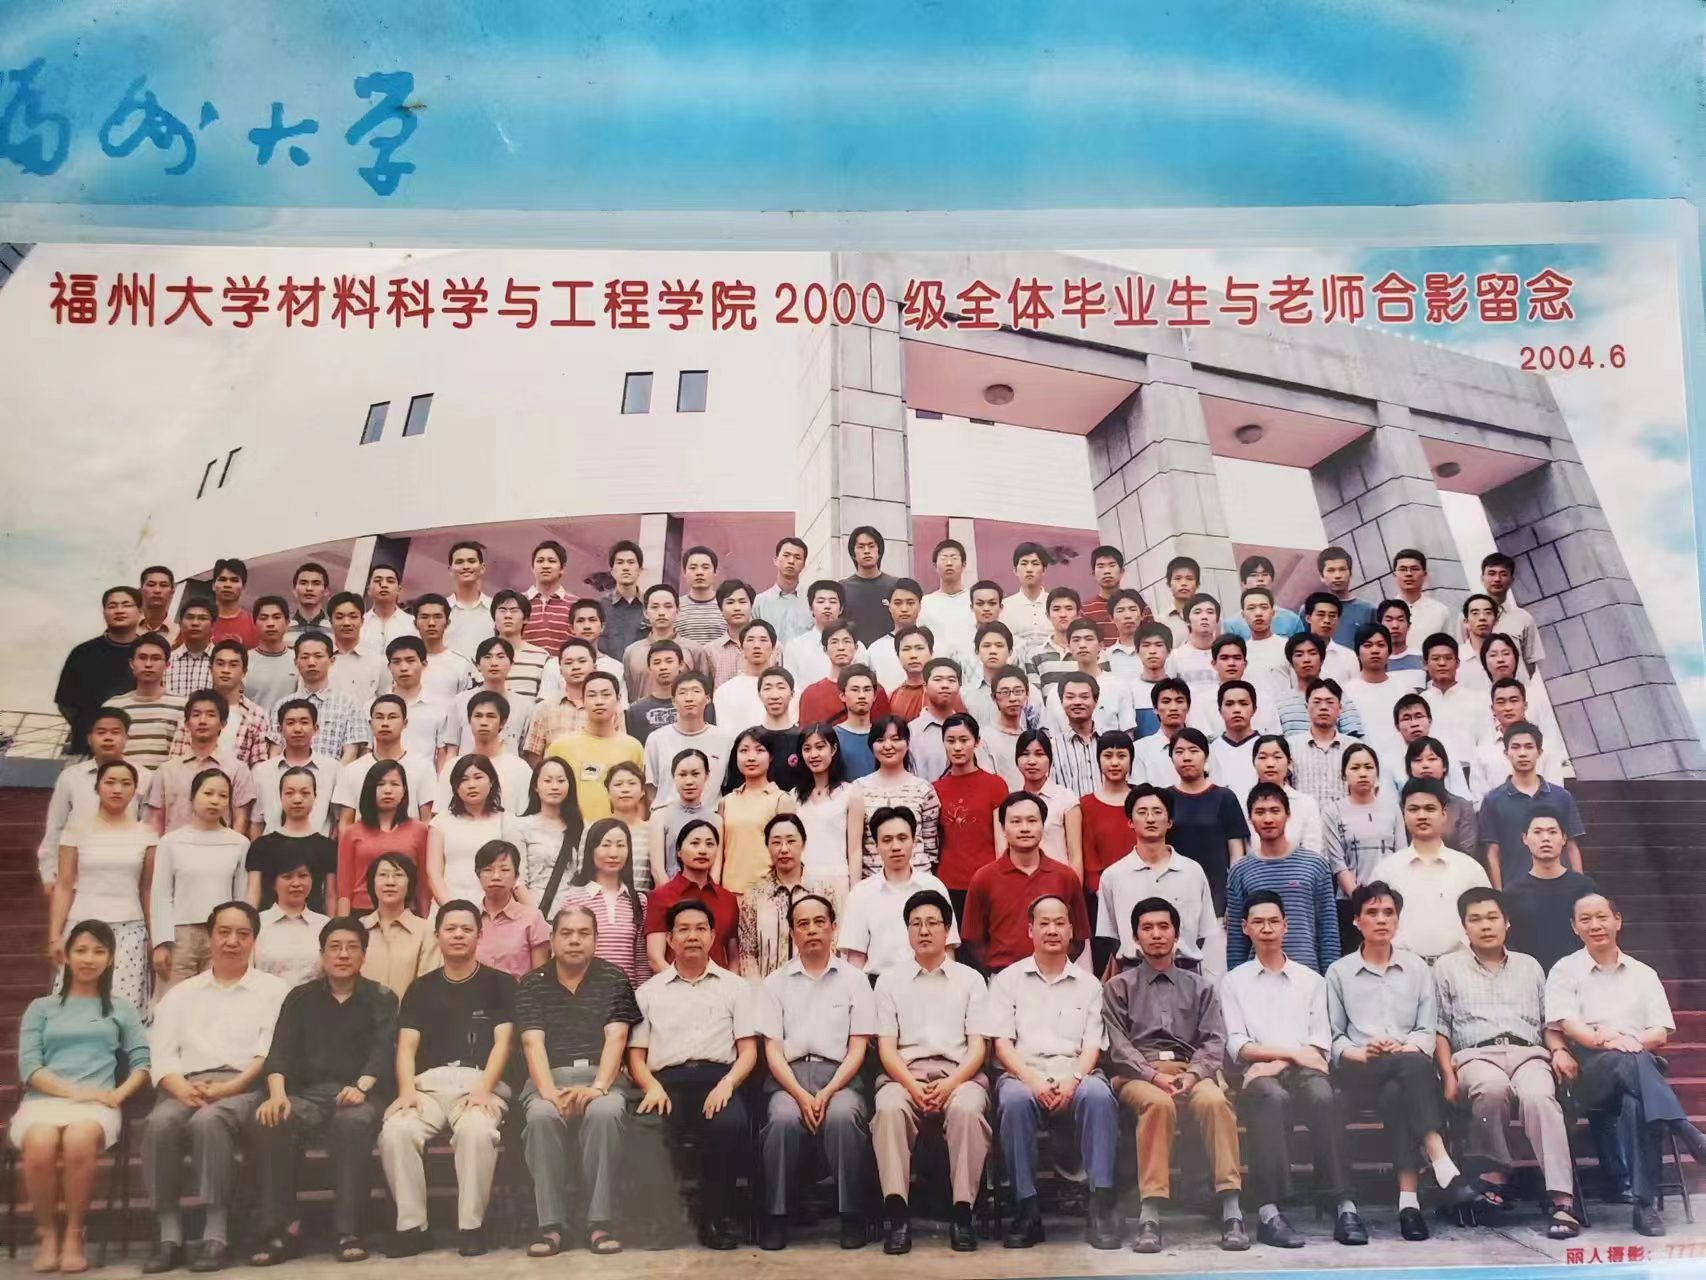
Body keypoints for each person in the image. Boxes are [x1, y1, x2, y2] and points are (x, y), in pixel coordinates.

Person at [1325, 882, 1479, 1240]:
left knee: (1399, 1090)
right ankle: (1440, 1160)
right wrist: (1363, 1051)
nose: (1381, 919)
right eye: (1372, 913)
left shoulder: (1417, 969)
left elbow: (1427, 1029)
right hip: (1360, 1071)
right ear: (1357, 921)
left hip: (1407, 1070)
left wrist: (1405, 1045)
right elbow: (1334, 1037)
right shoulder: (1339, 972)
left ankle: (1409, 1206)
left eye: (1389, 913)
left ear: (1397, 920)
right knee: (1413, 1069)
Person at [141, 902, 289, 1276]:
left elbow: (268, 1053)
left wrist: (228, 1089)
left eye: (242, 934)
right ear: (210, 937)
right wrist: (179, 1087)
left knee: (209, 1121)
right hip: (185, 1085)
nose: (232, 941)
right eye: (224, 932)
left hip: (245, 1086)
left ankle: (215, 1234)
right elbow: (162, 1052)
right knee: (159, 1124)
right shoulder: (181, 994)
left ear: (254, 940)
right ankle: (170, 1236)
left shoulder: (273, 990)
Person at [1547, 893, 1706, 1237]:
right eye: (1585, 919)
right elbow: (1568, 1025)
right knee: (1630, 1062)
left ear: (1617, 920)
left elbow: (1660, 1031)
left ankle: (1643, 1207)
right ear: (1574, 927)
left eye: (1602, 917)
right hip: (1590, 1070)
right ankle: (1686, 1131)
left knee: (1638, 1102)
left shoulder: (1643, 973)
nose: (1595, 925)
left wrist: (1628, 1041)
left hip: (1638, 1064)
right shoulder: (1565, 970)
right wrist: (1605, 1040)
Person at [1433, 887, 1580, 1236]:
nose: (1485, 926)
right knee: (1492, 1088)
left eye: (1492, 918)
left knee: (1540, 1097)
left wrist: (1560, 1050)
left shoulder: (1530, 967)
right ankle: (1497, 1172)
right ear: (1464, 927)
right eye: (1475, 919)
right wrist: (1447, 1075)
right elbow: (1439, 1029)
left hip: (1529, 1053)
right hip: (1475, 1055)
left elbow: (1548, 1024)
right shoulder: (1446, 967)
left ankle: (1562, 1198)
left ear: (1507, 922)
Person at [250, 916, 397, 1266]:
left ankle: (348, 1230)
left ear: (363, 955)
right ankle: (283, 1229)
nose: (343, 954)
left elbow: (383, 1052)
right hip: (308, 1096)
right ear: (322, 954)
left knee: (351, 1123)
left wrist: (361, 1086)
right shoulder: (300, 998)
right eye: (335, 947)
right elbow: (280, 1051)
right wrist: (277, 1095)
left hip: (361, 1095)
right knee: (273, 1119)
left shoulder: (382, 998)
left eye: (352, 948)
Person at [1223, 892, 1365, 1248]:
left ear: (1286, 926)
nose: (1267, 928)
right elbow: (1239, 1045)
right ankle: (1270, 1212)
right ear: (1245, 927)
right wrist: (1289, 1054)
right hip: (1258, 1075)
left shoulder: (1311, 980)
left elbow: (1319, 1045)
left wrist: (1276, 1061)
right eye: (1258, 922)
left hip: (1299, 1069)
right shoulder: (1233, 982)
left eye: (1274, 921)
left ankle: (1343, 1205)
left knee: (1323, 1096)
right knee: (1271, 1098)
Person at [1105, 896, 1247, 1253]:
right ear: (1135, 938)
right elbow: (1119, 1047)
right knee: (1158, 1104)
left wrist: (1194, 1075)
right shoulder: (1118, 987)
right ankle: (1150, 1214)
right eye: (1147, 928)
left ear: (1176, 934)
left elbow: (1214, 1040)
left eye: (1163, 927)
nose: (1156, 934)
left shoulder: (1201, 987)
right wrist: (1153, 1077)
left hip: (1191, 1072)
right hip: (1139, 1075)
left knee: (1216, 1102)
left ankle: (1232, 1210)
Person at [979, 894, 1121, 1250]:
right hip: (1024, 1072)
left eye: (1060, 923)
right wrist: (1034, 1081)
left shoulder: (1090, 984)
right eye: (1044, 923)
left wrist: (1073, 1081)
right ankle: (1026, 1209)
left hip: (1077, 1072)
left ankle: (1101, 1205)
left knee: (1099, 1096)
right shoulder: (1008, 980)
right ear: (1030, 930)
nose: (1052, 930)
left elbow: (1092, 1046)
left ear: (1072, 930)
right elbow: (1002, 1046)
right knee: (1013, 1101)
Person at [13, 920, 152, 1275]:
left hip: (98, 1105)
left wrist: (117, 1094)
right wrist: (77, 1093)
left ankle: (75, 1234)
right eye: (81, 950)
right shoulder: (41, 1008)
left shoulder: (121, 1008)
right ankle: (47, 1233)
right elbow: (30, 1068)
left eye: (98, 951)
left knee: (78, 1139)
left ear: (110, 959)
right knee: (40, 1141)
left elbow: (142, 1063)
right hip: (43, 1101)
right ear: (67, 956)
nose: (89, 959)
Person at [378, 901, 515, 1258]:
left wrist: (485, 1089)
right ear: (437, 935)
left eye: (466, 929)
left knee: (476, 1131)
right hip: (427, 1085)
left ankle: (471, 1227)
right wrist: (406, 1090)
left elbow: (503, 1042)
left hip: (478, 1083)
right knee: (396, 1131)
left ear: (479, 935)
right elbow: (406, 1047)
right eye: (450, 929)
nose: (458, 935)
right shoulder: (420, 988)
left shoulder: (499, 984)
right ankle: (412, 1228)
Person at [627, 899, 759, 1250]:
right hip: (666, 1084)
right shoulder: (649, 992)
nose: (692, 936)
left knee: (730, 1123)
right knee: (645, 1129)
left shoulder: (735, 987)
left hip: (718, 1080)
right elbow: (636, 1056)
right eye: (683, 930)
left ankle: (714, 1219)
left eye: (701, 929)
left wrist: (728, 1083)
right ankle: (664, 1221)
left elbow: (748, 1051)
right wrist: (651, 1087)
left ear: (713, 936)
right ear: (669, 939)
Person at [516, 904, 642, 1258]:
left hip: (602, 1078)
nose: (575, 940)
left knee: (605, 1113)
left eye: (584, 933)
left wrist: (598, 1087)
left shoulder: (614, 978)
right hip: (549, 1079)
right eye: (566, 933)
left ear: (596, 939)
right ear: (552, 939)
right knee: (541, 1117)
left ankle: (599, 1223)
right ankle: (551, 1226)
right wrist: (549, 1093)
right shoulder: (532, 983)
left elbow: (617, 1037)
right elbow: (532, 1043)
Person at [871, 888, 989, 1255]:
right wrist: (912, 1085)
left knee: (967, 1109)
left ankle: (962, 1214)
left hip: (960, 1073)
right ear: (907, 931)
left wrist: (950, 1084)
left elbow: (978, 1048)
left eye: (933, 923)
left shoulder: (971, 980)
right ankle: (898, 1215)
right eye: (916, 924)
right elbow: (887, 1049)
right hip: (904, 1074)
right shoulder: (888, 981)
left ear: (947, 930)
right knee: (889, 1109)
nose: (924, 931)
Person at [756, 893, 875, 1250]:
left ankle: (851, 1214)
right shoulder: (775, 983)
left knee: (842, 1116)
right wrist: (799, 1094)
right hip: (788, 1078)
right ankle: (776, 1215)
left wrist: (826, 1092)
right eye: (803, 924)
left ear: (833, 928)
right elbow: (772, 1050)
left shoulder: (855, 981)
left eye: (819, 922)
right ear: (793, 933)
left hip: (840, 1078)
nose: (812, 930)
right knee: (782, 1119)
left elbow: (858, 1048)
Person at [48, 761, 155, 1017]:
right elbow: (64, 885)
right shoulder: (75, 830)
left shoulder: (147, 834)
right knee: (77, 1008)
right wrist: (54, 936)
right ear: (97, 787)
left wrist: (155, 936)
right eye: (110, 782)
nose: (117, 789)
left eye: (126, 783)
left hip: (129, 930)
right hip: (82, 928)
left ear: (135, 790)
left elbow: (148, 889)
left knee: (122, 1009)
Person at [1094, 785, 1223, 980]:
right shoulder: (1113, 875)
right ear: (1130, 822)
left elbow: (1201, 933)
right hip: (1133, 975)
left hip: (1184, 974)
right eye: (1142, 812)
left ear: (1169, 821)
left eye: (1157, 812)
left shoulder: (1192, 871)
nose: (1150, 819)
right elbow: (1111, 936)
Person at [961, 792, 1090, 973]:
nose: (1025, 828)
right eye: (1016, 821)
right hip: (1003, 978)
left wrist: (1053, 966)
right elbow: (973, 940)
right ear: (1003, 828)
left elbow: (1078, 937)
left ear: (1043, 825)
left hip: (1055, 977)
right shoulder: (984, 878)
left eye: (1032, 821)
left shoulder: (1065, 876)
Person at [149, 769, 249, 990]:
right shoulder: (170, 842)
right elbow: (161, 895)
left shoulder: (239, 843)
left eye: (223, 796)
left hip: (222, 936)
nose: (215, 801)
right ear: (193, 797)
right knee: (174, 999)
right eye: (208, 793)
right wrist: (162, 943)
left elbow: (241, 898)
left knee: (218, 997)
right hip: (180, 937)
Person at [1371, 778, 1491, 962]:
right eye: (1414, 809)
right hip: (1403, 968)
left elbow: (1488, 921)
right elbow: (1373, 926)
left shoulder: (1469, 869)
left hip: (1459, 967)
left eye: (1430, 809)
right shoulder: (1386, 871)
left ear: (1444, 814)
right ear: (1403, 814)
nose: (1422, 816)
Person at [1225, 783, 1339, 973]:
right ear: (1250, 819)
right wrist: (1237, 979)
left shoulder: (1315, 865)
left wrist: (1328, 978)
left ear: (1288, 815)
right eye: (1260, 812)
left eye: (1275, 811)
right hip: (1258, 976)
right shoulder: (1240, 871)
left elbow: (1328, 931)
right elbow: (1237, 941)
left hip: (1307, 975)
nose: (1268, 819)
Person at [37, 709, 147, 894]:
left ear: (126, 738)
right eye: (101, 732)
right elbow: (55, 828)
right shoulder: (70, 777)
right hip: (76, 882)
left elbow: (149, 829)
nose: (108, 738)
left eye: (115, 732)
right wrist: (49, 875)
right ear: (89, 738)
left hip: (127, 881)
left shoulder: (145, 777)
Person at [840, 807, 958, 977]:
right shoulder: (860, 894)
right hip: (877, 984)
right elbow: (856, 959)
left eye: (902, 838)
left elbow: (947, 948)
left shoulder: (933, 887)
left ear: (914, 841)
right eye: (887, 840)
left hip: (928, 981)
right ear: (876, 845)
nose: (895, 847)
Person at [1479, 721, 1586, 887]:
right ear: (1506, 753)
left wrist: (1580, 888)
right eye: (1516, 747)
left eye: (1529, 747)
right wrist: (1499, 894)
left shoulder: (1561, 797)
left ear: (1539, 752)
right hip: (1515, 890)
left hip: (1560, 888)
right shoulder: (1493, 800)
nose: (1522, 753)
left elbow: (1571, 847)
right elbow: (1492, 853)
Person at [735, 813, 836, 980]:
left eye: (791, 841)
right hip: (767, 989)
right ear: (767, 846)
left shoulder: (822, 891)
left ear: (803, 844)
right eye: (776, 842)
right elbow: (747, 954)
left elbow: (833, 944)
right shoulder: (755, 895)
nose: (784, 849)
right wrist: (760, 991)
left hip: (815, 986)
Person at [1162, 726, 1248, 915]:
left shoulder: (1224, 797)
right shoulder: (1163, 799)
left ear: (1206, 756)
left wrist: (1233, 899)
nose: (1186, 757)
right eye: (1179, 752)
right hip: (1173, 896)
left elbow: (1236, 854)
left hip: (1216, 894)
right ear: (1171, 758)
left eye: (1194, 751)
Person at [1504, 807, 1601, 972]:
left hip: (1578, 975)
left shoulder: (1584, 887)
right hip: (1530, 976)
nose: (1545, 838)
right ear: (1525, 838)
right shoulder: (1512, 893)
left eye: (1552, 832)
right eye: (1537, 832)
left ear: (1564, 838)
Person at [932, 713, 1009, 916]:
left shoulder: (995, 785)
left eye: (964, 740)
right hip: (948, 883)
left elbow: (1002, 841)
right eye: (951, 741)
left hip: (986, 880)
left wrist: (1002, 879)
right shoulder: (935, 789)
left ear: (977, 742)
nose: (957, 747)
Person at [557, 816, 649, 986]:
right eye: (606, 845)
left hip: (625, 997)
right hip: (585, 995)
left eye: (620, 845)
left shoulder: (639, 901)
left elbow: (641, 962)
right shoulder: (573, 898)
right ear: (591, 850)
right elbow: (561, 956)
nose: (613, 853)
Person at [544, 672, 645, 822]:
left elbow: (640, 801)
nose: (599, 701)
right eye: (592, 695)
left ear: (618, 699)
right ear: (582, 700)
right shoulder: (561, 746)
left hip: (618, 833)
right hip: (572, 830)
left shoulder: (633, 747)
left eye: (606, 695)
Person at [848, 715, 941, 878]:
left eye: (896, 739)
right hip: (874, 882)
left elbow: (931, 848)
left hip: (917, 883)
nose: (888, 746)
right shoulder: (859, 788)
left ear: (908, 743)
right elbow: (855, 849)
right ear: (871, 746)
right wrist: (857, 888)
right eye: (880, 740)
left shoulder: (924, 789)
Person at [643, 820, 740, 971]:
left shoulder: (728, 899)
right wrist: (682, 983)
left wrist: (729, 982)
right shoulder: (660, 897)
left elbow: (734, 958)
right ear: (679, 852)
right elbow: (655, 958)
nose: (703, 850)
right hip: (674, 984)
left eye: (710, 844)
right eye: (695, 843)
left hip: (720, 984)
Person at [336, 761, 431, 916]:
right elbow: (344, 890)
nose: (387, 790)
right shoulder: (352, 833)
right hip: (362, 912)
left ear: (404, 790)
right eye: (380, 784)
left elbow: (423, 886)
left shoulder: (420, 831)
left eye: (394, 784)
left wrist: (425, 922)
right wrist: (344, 924)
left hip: (406, 912)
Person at [332, 693, 437, 832]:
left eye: (392, 717)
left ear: (405, 723)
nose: (385, 723)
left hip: (409, 843)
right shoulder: (351, 770)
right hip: (364, 843)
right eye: (379, 717)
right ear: (370, 723)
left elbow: (427, 820)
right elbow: (345, 823)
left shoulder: (423, 767)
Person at [55, 587, 141, 754]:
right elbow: (67, 705)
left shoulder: (149, 653)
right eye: (112, 606)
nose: (119, 610)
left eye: (126, 605)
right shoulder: (83, 653)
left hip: (138, 749)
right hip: (86, 748)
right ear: (104, 612)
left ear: (140, 612)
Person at [715, 727, 796, 893]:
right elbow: (719, 854)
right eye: (744, 751)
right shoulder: (726, 802)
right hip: (729, 892)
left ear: (770, 756)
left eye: (759, 750)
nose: (751, 757)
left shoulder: (781, 800)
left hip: (768, 893)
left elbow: (789, 852)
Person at [247, 771, 337, 917]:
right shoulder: (261, 845)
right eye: (289, 793)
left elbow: (330, 896)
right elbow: (253, 895)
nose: (297, 799)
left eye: (305, 793)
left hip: (314, 925)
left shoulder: (327, 847)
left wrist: (332, 927)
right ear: (280, 797)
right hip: (269, 924)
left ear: (315, 796)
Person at [265, 633, 367, 762]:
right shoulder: (282, 705)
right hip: (288, 773)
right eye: (305, 657)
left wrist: (334, 774)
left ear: (332, 660)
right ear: (296, 662)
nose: (311, 662)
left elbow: (351, 752)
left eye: (318, 656)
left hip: (334, 773)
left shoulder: (349, 704)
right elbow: (275, 750)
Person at [249, 700, 337, 837]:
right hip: (272, 847)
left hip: (317, 847)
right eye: (290, 723)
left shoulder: (332, 769)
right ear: (279, 729)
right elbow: (257, 822)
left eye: (304, 722)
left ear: (316, 728)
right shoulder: (262, 771)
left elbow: (339, 821)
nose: (297, 729)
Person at [358, 853, 440, 999]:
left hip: (409, 1012)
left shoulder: (426, 931)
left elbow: (428, 988)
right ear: (372, 883)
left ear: (410, 884)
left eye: (398, 875)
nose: (390, 882)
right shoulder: (357, 928)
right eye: (383, 875)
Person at [795, 724, 863, 893]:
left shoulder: (850, 793)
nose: (813, 755)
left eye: (820, 747)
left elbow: (855, 850)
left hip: (838, 881)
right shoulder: (793, 796)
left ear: (833, 749)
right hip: (803, 881)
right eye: (807, 749)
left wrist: (855, 891)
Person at [103, 634, 186, 772]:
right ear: (131, 663)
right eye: (142, 657)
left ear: (167, 665)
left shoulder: (183, 706)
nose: (148, 664)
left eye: (156, 658)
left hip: (164, 782)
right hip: (122, 781)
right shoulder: (113, 707)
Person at [252, 848, 330, 987]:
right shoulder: (257, 923)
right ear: (273, 883)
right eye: (287, 877)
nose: (296, 883)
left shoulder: (325, 925)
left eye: (303, 876)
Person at [472, 840, 550, 977]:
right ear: (478, 876)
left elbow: (540, 977)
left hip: (519, 990)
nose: (496, 876)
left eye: (505, 870)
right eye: (488, 870)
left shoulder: (532, 919)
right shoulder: (469, 919)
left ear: (516, 877)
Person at [622, 585, 711, 701]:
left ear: (677, 611)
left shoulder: (694, 650)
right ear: (645, 612)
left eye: (668, 606)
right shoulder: (632, 652)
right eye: (655, 607)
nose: (661, 613)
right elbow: (629, 693)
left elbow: (704, 690)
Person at [1252, 733, 1330, 864]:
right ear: (1253, 762)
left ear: (1289, 762)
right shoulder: (1244, 802)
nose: (1270, 764)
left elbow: (1313, 851)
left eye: (1277, 757)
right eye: (1263, 757)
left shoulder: (1306, 803)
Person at [1012, 728, 1080, 871]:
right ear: (1016, 760)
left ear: (1050, 759)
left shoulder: (1066, 798)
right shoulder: (1012, 802)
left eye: (1039, 754)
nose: (1032, 761)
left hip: (1058, 879)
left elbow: (1076, 857)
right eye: (1025, 754)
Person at [1420, 633, 1487, 773]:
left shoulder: (1477, 699)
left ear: (1458, 663)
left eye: (1448, 658)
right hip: (1431, 773)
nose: (1442, 663)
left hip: (1470, 772)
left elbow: (1486, 741)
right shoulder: (1420, 703)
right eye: (1436, 658)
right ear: (1425, 664)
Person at [799, 621, 891, 723]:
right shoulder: (811, 694)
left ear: (856, 647)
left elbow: (883, 730)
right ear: (825, 649)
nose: (841, 648)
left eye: (846, 641)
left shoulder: (874, 691)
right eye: (834, 642)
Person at [1405, 735, 1479, 853]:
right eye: (1418, 760)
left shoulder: (1461, 806)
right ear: (1409, 769)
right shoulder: (1401, 807)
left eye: (1432, 759)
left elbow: (1468, 852)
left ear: (1444, 766)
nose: (1425, 765)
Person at [1477, 553, 1544, 674]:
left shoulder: (1524, 618)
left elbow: (1530, 661)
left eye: (1503, 574)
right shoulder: (1467, 617)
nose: (1497, 579)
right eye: (1491, 573)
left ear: (1511, 580)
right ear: (1482, 578)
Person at [323, 591, 389, 710]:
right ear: (330, 622)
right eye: (339, 617)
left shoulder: (378, 661)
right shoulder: (319, 658)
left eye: (353, 617)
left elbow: (385, 701)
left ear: (362, 620)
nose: (346, 623)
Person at [711, 620, 778, 733]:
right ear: (741, 647)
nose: (756, 646)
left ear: (773, 648)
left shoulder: (786, 690)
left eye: (763, 640)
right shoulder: (724, 691)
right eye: (750, 640)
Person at [490, 591, 552, 712]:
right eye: (502, 610)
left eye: (514, 610)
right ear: (494, 618)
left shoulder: (541, 656)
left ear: (526, 619)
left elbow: (544, 700)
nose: (508, 615)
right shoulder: (482, 654)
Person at [918, 538, 977, 663]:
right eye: (943, 558)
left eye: (954, 558)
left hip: (973, 667)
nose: (949, 563)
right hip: (936, 667)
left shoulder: (976, 600)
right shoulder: (924, 603)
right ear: (935, 566)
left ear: (964, 564)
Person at [841, 525, 901, 644]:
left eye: (871, 546)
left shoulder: (896, 585)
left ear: (879, 551)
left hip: (890, 649)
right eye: (861, 547)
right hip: (855, 651)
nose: (867, 551)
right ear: (853, 553)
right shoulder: (842, 588)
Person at [1048, 671, 1104, 796]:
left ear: (1095, 701)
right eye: (1070, 697)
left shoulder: (1110, 743)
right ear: (1061, 702)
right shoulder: (1052, 747)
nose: (1077, 702)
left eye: (1084, 697)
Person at [412, 595, 477, 702]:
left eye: (437, 617)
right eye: (424, 617)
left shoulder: (460, 663)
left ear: (447, 623)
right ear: (415, 623)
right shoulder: (403, 663)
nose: (431, 623)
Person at [1223, 556, 1304, 642]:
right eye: (1254, 575)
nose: (1260, 579)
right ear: (1243, 583)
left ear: (1272, 581)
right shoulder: (1232, 625)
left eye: (1265, 575)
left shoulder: (1292, 619)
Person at [864, 576, 924, 691]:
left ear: (920, 606)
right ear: (889, 606)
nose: (904, 609)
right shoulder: (876, 649)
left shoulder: (932, 645)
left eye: (910, 603)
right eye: (898, 603)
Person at [753, 535, 813, 648]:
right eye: (786, 555)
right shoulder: (760, 602)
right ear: (775, 560)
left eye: (797, 557)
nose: (791, 561)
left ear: (804, 565)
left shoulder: (812, 601)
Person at [1132, 677, 1191, 787]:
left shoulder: (1201, 747)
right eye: (1166, 702)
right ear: (1155, 708)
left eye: (1179, 701)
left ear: (1188, 707)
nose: (1173, 708)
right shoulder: (1140, 749)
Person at [1000, 542, 1053, 664]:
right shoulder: (1004, 607)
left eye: (1035, 564)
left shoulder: (1055, 604)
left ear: (1044, 570)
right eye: (1024, 564)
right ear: (1015, 570)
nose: (1029, 569)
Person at [1208, 680, 1261, 801]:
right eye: (1229, 704)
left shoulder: (1266, 748)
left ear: (1254, 709)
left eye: (1243, 703)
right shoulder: (1210, 749)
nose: (1237, 709)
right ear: (1220, 710)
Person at [521, 539, 576, 655]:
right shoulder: (518, 603)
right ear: (532, 567)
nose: (545, 566)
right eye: (540, 561)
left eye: (552, 561)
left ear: (562, 568)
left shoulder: (575, 604)